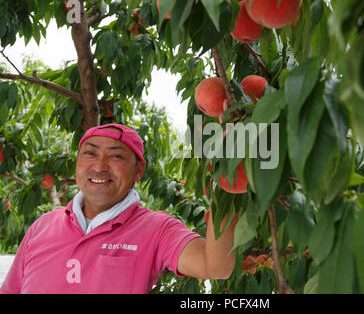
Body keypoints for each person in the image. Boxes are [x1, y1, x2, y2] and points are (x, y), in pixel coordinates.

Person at [0, 123, 238, 294]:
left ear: (139, 171)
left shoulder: (156, 229)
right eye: (90, 153)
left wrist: (228, 173)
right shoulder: (42, 226)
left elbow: (214, 266)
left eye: (115, 156)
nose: (100, 167)